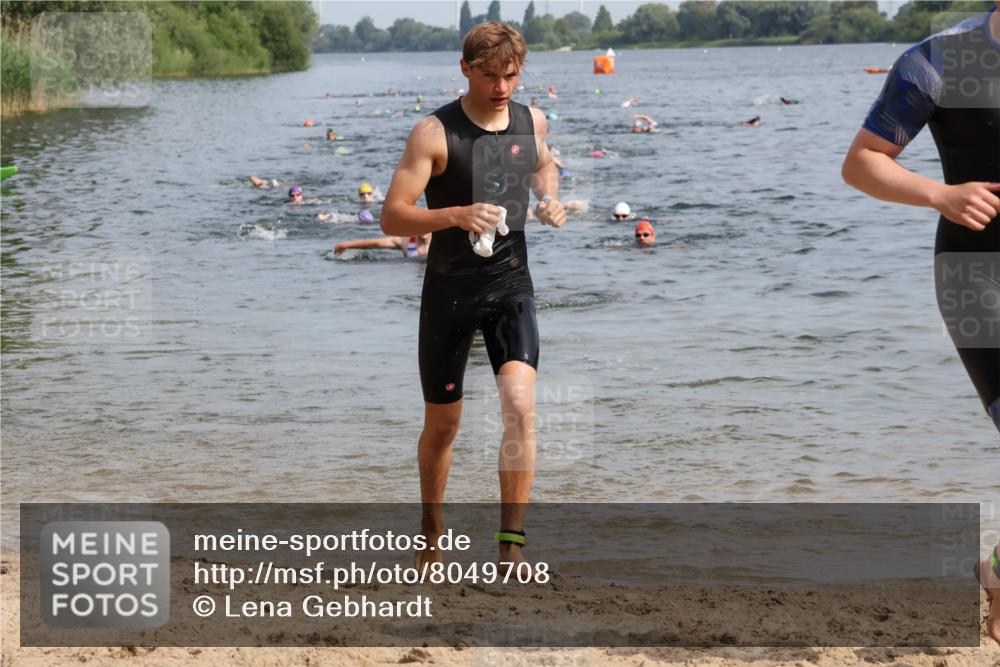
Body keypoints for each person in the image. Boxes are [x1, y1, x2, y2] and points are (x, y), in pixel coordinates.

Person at [380, 22, 566, 566]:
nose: (502, 87)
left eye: (510, 75)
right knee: (444, 425)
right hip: (449, 292)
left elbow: (545, 163)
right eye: (490, 76)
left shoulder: (532, 120)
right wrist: (455, 215)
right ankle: (431, 533)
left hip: (511, 283)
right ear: (465, 70)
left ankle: (511, 547)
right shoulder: (434, 133)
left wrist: (549, 197)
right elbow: (394, 215)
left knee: (520, 406)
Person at [841, 3, 999, 644]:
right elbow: (862, 162)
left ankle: (993, 571)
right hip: (976, 275)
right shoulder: (937, 60)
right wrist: (942, 194)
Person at [334, 232, 431, 257]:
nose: (424, 231)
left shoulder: (440, 239)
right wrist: (347, 245)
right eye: (420, 227)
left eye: (427, 226)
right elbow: (376, 243)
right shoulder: (405, 241)